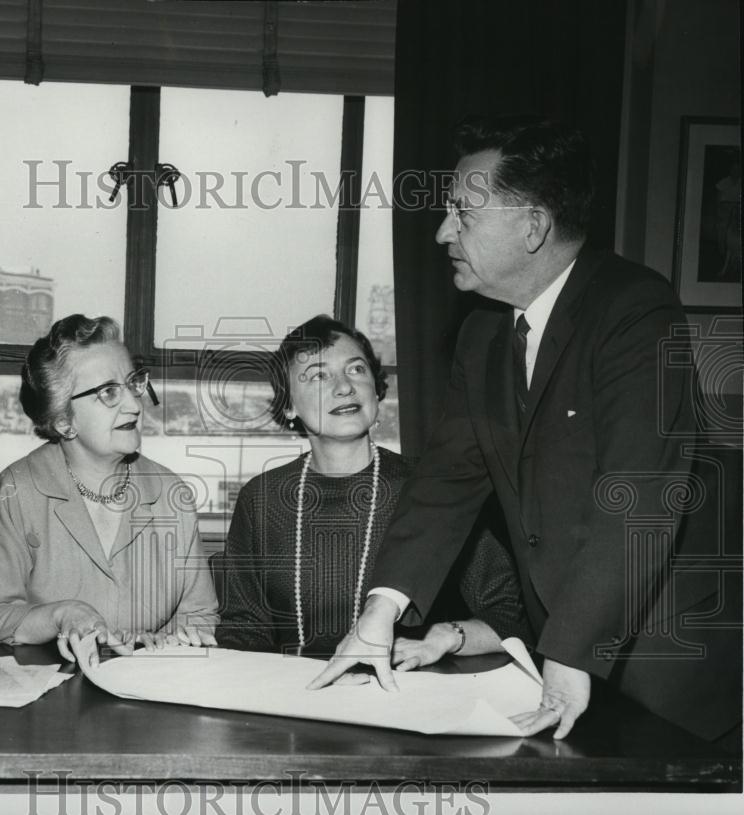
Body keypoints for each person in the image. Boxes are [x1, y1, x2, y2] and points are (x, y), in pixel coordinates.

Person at [311, 116, 741, 745]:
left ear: (533, 226)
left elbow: (639, 498)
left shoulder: (635, 309)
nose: (443, 232)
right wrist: (380, 611)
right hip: (564, 653)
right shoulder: (483, 332)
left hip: (666, 663)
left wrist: (568, 653)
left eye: (463, 214)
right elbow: (445, 484)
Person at [215, 315, 531, 663]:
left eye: (356, 369)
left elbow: (512, 617)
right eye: (319, 376)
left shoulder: (437, 488)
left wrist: (446, 636)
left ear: (377, 389)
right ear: (288, 405)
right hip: (296, 688)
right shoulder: (261, 498)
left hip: (410, 687)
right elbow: (243, 632)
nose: (344, 387)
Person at [0, 315, 218, 663]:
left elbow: (199, 615)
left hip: (143, 689)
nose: (134, 405)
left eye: (133, 383)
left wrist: (169, 643)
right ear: (64, 421)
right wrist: (60, 615)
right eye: (109, 392)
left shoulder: (172, 494)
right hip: (49, 691)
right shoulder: (14, 494)